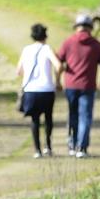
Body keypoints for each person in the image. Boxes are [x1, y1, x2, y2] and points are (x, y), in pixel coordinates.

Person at [58, 12, 100, 158]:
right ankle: (82, 148)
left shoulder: (68, 42)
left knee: (72, 115)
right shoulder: (96, 44)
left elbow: (59, 62)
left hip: (71, 85)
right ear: (90, 28)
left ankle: (72, 146)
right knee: (85, 117)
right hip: (88, 86)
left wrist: (57, 80)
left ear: (77, 27)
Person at [16, 24, 62, 158]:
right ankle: (48, 146)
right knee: (48, 118)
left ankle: (37, 150)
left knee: (34, 120)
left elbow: (18, 71)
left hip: (30, 90)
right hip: (47, 89)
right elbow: (58, 66)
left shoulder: (26, 50)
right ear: (45, 36)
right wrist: (58, 81)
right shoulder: (47, 49)